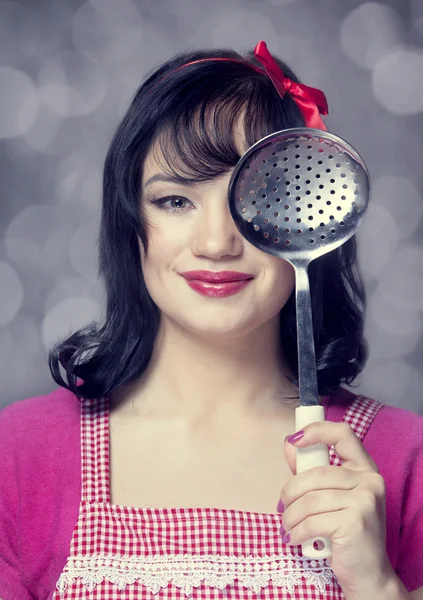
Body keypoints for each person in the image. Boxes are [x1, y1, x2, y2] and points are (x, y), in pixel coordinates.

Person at [0, 41, 422, 600]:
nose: (217, 243)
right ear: (131, 223)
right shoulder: (20, 453)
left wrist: (376, 585)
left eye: (259, 195)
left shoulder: (404, 457)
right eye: (175, 201)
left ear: (314, 220)